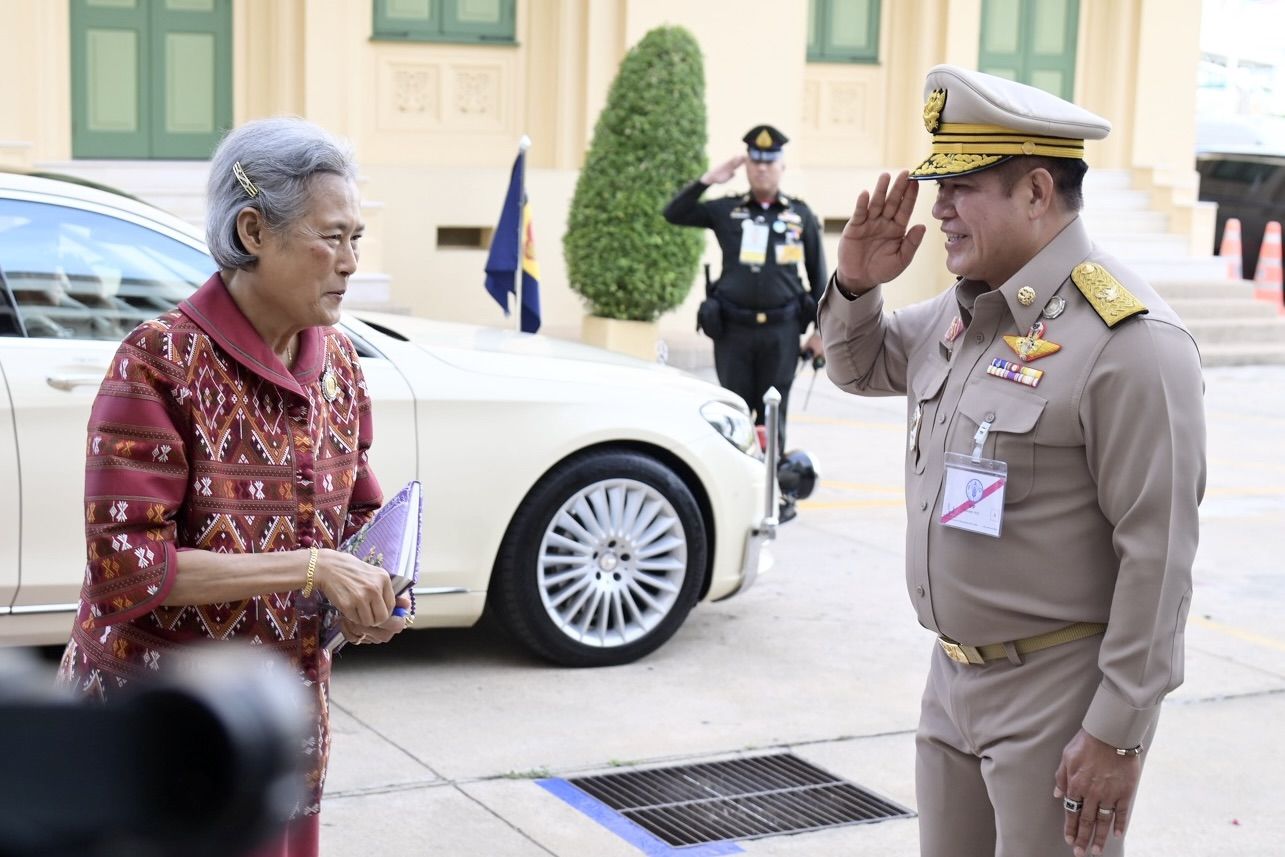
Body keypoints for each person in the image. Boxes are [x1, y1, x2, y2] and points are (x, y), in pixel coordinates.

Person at [818, 66, 1206, 857]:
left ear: (1035, 192)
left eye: (960, 186)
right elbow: (856, 368)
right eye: (938, 185)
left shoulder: (1129, 343)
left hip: (1055, 690)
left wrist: (1117, 731)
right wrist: (856, 283)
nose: (938, 209)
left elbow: (1157, 555)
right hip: (951, 680)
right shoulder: (967, 310)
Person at [57, 117, 412, 857]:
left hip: (281, 726)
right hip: (161, 730)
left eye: (357, 239)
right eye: (332, 237)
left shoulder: (340, 363)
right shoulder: (158, 364)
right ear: (253, 230)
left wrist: (377, 595)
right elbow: (126, 570)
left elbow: (360, 512)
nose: (350, 262)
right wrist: (312, 566)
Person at [663, 124, 826, 455]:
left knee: (773, 416)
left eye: (769, 161)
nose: (762, 168)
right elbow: (674, 213)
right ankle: (736, 490)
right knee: (733, 415)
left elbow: (818, 277)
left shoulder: (800, 214)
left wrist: (822, 332)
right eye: (755, 161)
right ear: (746, 166)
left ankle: (774, 491)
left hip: (782, 332)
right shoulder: (726, 210)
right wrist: (709, 179)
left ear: (782, 167)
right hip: (733, 333)